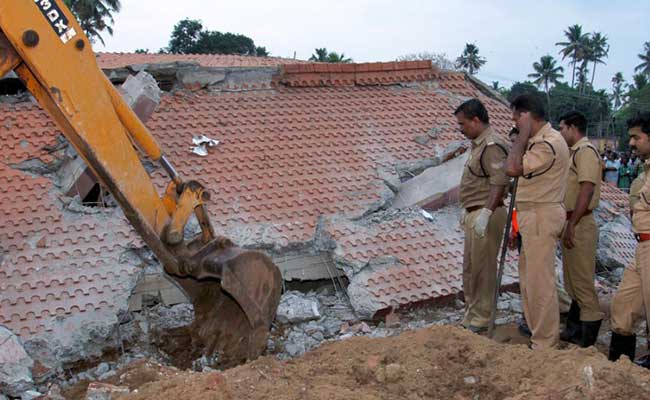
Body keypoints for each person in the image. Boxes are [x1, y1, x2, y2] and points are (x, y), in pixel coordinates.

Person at [505, 94, 570, 349]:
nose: (515, 123)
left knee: (540, 283)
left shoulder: (548, 143)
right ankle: (538, 335)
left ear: (527, 115)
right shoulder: (538, 141)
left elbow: (512, 168)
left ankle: (545, 341)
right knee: (530, 280)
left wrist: (522, 136)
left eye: (517, 117)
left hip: (542, 215)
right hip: (532, 215)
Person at [454, 99, 509, 333]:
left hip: (487, 212)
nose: (460, 128)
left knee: (483, 268)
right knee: (470, 268)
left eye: (463, 124)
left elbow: (499, 182)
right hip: (474, 212)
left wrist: (485, 213)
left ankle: (482, 315)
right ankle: (472, 310)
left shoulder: (492, 145)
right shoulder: (477, 145)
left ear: (476, 120)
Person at [557, 111, 604, 347]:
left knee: (583, 282)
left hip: (580, 221)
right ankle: (574, 330)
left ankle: (587, 339)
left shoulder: (586, 152)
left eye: (562, 128)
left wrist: (572, 224)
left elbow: (586, 190)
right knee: (572, 280)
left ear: (573, 128)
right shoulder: (574, 152)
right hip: (572, 219)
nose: (560, 132)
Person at [608, 112, 650, 367]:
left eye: (637, 137)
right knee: (623, 307)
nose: (631, 143)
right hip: (641, 247)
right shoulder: (645, 172)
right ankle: (619, 371)